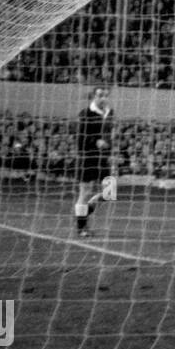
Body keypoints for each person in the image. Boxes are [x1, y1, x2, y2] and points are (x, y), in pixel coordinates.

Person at [74, 87, 113, 237]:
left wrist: (110, 149)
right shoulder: (85, 114)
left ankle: (82, 213)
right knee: (85, 192)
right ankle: (81, 227)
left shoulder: (109, 113)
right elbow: (80, 140)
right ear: (93, 97)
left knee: (109, 192)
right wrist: (96, 142)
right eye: (100, 95)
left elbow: (110, 135)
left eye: (106, 95)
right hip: (87, 157)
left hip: (103, 159)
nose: (103, 98)